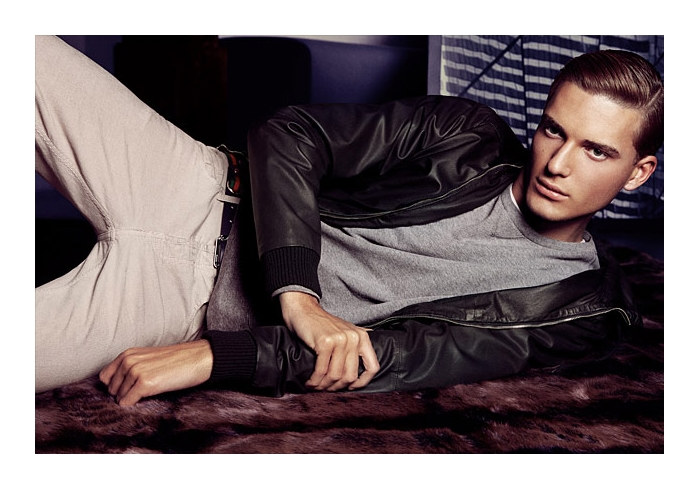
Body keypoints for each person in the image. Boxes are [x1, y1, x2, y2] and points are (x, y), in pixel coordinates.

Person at [35, 36, 663, 406]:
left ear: (638, 172)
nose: (557, 163)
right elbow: (291, 133)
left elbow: (408, 356)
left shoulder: (586, 308)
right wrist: (298, 295)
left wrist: (215, 357)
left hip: (182, 304)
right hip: (198, 187)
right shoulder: (466, 133)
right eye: (554, 131)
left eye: (596, 151)